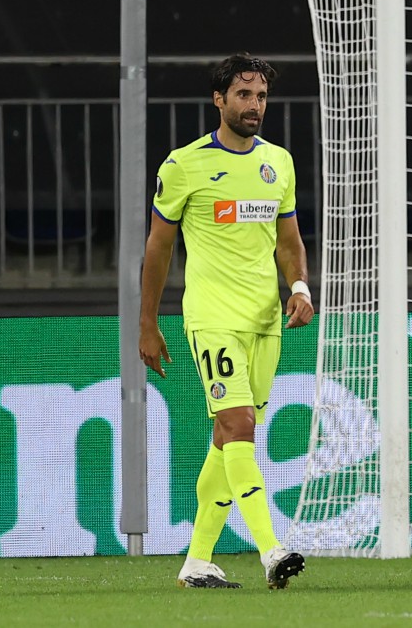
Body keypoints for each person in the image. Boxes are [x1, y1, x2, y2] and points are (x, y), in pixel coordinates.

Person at [139, 53, 311, 589]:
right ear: (219, 100)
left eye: (260, 96)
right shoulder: (184, 165)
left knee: (227, 438)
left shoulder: (278, 163)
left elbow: (289, 242)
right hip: (212, 319)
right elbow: (158, 248)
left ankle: (196, 561)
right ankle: (270, 549)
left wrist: (300, 286)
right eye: (243, 95)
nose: (254, 105)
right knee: (239, 425)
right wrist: (148, 322)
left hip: (265, 321)